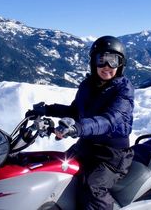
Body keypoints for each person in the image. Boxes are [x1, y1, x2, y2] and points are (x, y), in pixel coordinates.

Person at [25, 36, 134, 210]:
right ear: (93, 62)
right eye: (102, 60)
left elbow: (110, 120)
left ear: (120, 64)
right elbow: (76, 111)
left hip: (111, 155)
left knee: (92, 188)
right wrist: (48, 110)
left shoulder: (123, 90)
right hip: (87, 146)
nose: (107, 66)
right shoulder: (88, 85)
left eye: (113, 61)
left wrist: (79, 127)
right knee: (55, 168)